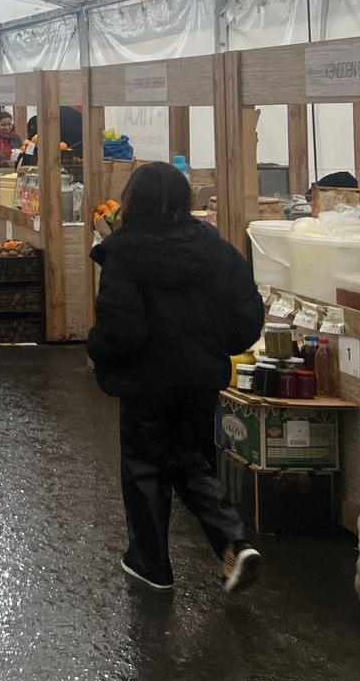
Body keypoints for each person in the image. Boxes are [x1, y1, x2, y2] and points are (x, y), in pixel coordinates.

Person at [88, 162, 264, 594]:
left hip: (146, 379)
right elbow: (246, 317)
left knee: (154, 466)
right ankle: (184, 557)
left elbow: (122, 328)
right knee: (188, 456)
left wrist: (99, 349)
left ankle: (217, 545)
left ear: (132, 200)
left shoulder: (124, 252)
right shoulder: (216, 247)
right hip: (202, 376)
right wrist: (212, 345)